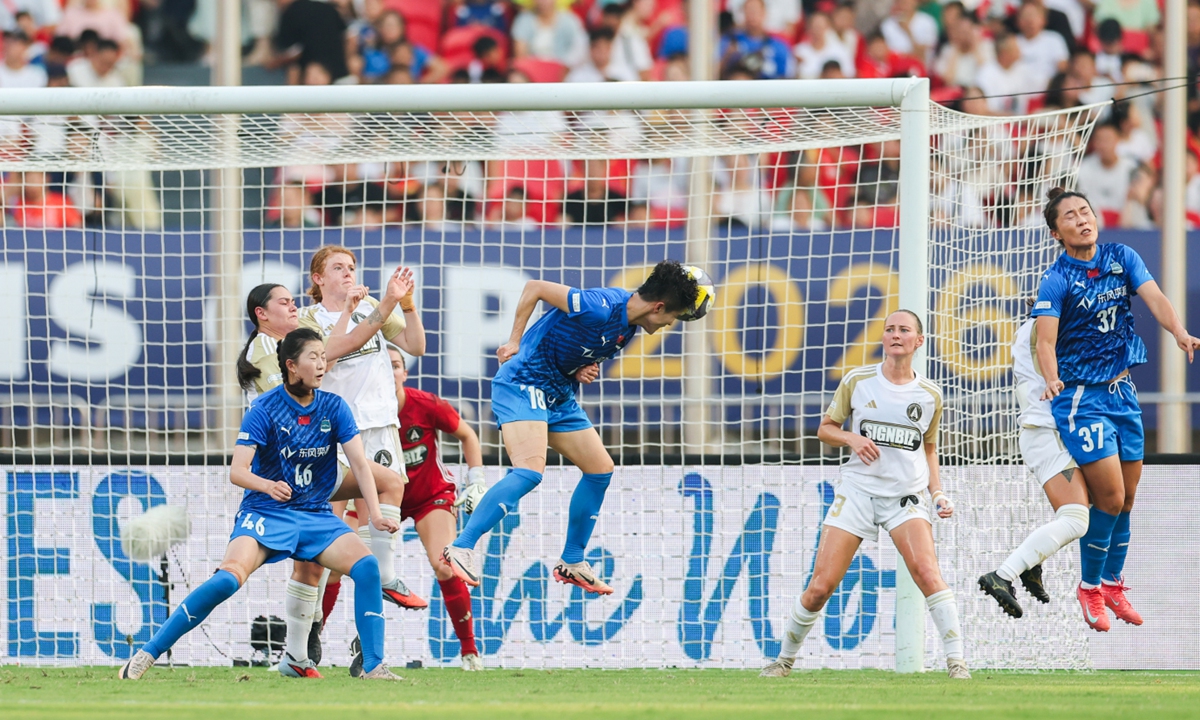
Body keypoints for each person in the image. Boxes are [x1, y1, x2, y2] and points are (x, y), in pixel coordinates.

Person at [119, 328, 403, 681]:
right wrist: (267, 485)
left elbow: (360, 465)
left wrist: (374, 513)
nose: (321, 363)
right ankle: (147, 653)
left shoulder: (334, 406)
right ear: (291, 366)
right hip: (266, 512)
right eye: (313, 357)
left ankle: (374, 666)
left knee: (368, 568)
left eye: (322, 356)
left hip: (314, 514)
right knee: (227, 580)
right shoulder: (264, 409)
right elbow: (237, 471)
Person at [442, 260, 707, 594]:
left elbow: (574, 347)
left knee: (600, 469)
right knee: (529, 472)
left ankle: (572, 560)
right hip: (524, 383)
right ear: (659, 307)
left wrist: (581, 369)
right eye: (674, 316)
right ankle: (462, 545)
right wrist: (514, 341)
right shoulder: (599, 306)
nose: (671, 324)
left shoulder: (628, 330)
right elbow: (534, 287)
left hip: (558, 394)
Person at [760, 311, 970, 680]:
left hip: (905, 496)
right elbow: (825, 429)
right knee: (820, 587)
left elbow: (930, 447)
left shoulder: (931, 394)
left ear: (918, 341)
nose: (895, 335)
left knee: (926, 572)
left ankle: (957, 663)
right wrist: (852, 438)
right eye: (890, 329)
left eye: (904, 330)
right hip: (858, 492)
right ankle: (783, 661)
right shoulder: (858, 381)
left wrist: (937, 492)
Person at [1031, 187, 1200, 632]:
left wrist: (1180, 333)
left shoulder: (1121, 256)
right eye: (1070, 216)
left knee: (1128, 499)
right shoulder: (1056, 279)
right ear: (1057, 232)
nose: (1082, 219)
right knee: (1110, 496)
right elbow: (1044, 342)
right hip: (1082, 399)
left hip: (1121, 391)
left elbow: (1156, 298)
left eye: (1085, 211)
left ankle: (1112, 583)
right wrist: (1051, 377)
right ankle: (1089, 587)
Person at [235, 282, 411, 675]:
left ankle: (300, 651)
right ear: (261, 313)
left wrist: (353, 311)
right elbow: (335, 352)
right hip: (290, 471)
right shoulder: (268, 350)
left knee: (314, 561)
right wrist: (381, 306)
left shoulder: (290, 350)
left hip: (308, 465)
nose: (293, 305)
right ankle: (377, 582)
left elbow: (330, 354)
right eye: (283, 301)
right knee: (387, 483)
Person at [293, 248, 430, 664]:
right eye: (338, 268)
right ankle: (310, 622)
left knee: (378, 527)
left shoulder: (371, 306)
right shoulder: (306, 320)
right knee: (325, 533)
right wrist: (378, 305)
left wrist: (404, 302)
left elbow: (415, 345)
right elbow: (331, 351)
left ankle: (365, 645)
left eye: (352, 267)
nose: (348, 273)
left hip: (378, 423)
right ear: (318, 278)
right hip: (331, 431)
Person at [977, 315, 1090, 618]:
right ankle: (1003, 575)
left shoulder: (1039, 324)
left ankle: (1031, 563)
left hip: (1049, 431)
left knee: (1097, 497)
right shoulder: (1044, 328)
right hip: (1045, 432)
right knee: (1077, 520)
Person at [385, 346, 486, 671]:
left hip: (431, 496)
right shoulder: (363, 413)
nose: (391, 372)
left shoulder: (424, 404)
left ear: (405, 373)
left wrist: (476, 480)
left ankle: (470, 652)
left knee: (445, 563)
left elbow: (467, 435)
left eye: (397, 366)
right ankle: (305, 650)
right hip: (383, 498)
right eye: (384, 367)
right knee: (343, 566)